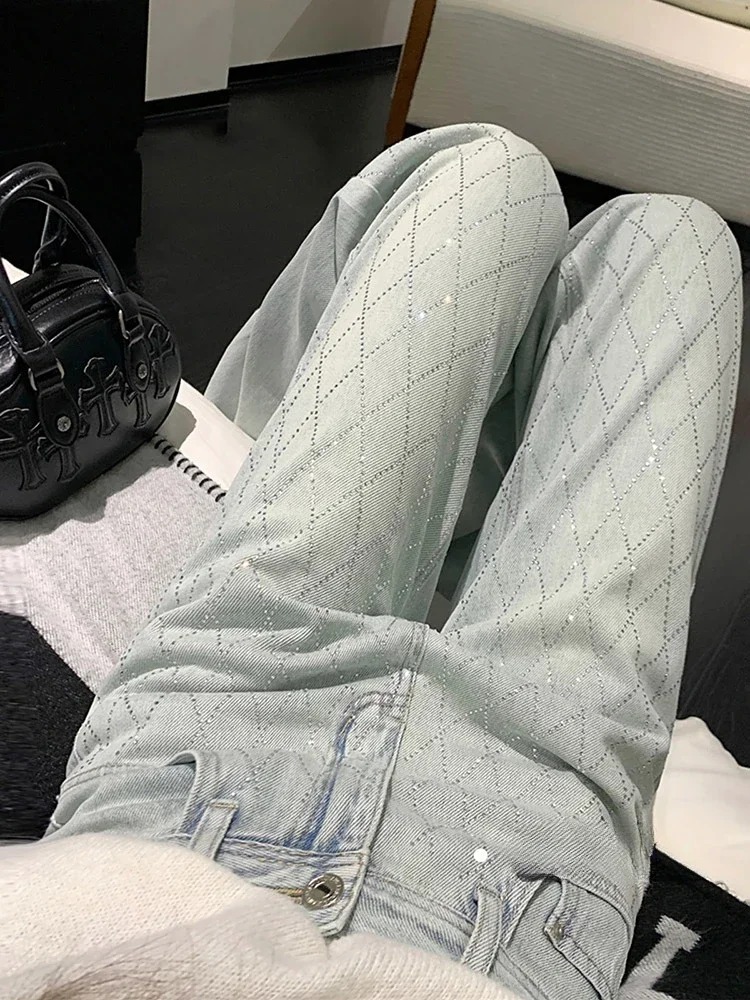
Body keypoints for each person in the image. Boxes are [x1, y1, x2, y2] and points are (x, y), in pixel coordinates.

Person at [0, 124, 742, 1000]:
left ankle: (297, 467)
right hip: (527, 853)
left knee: (487, 173)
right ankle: (403, 506)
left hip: (198, 754)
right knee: (678, 242)